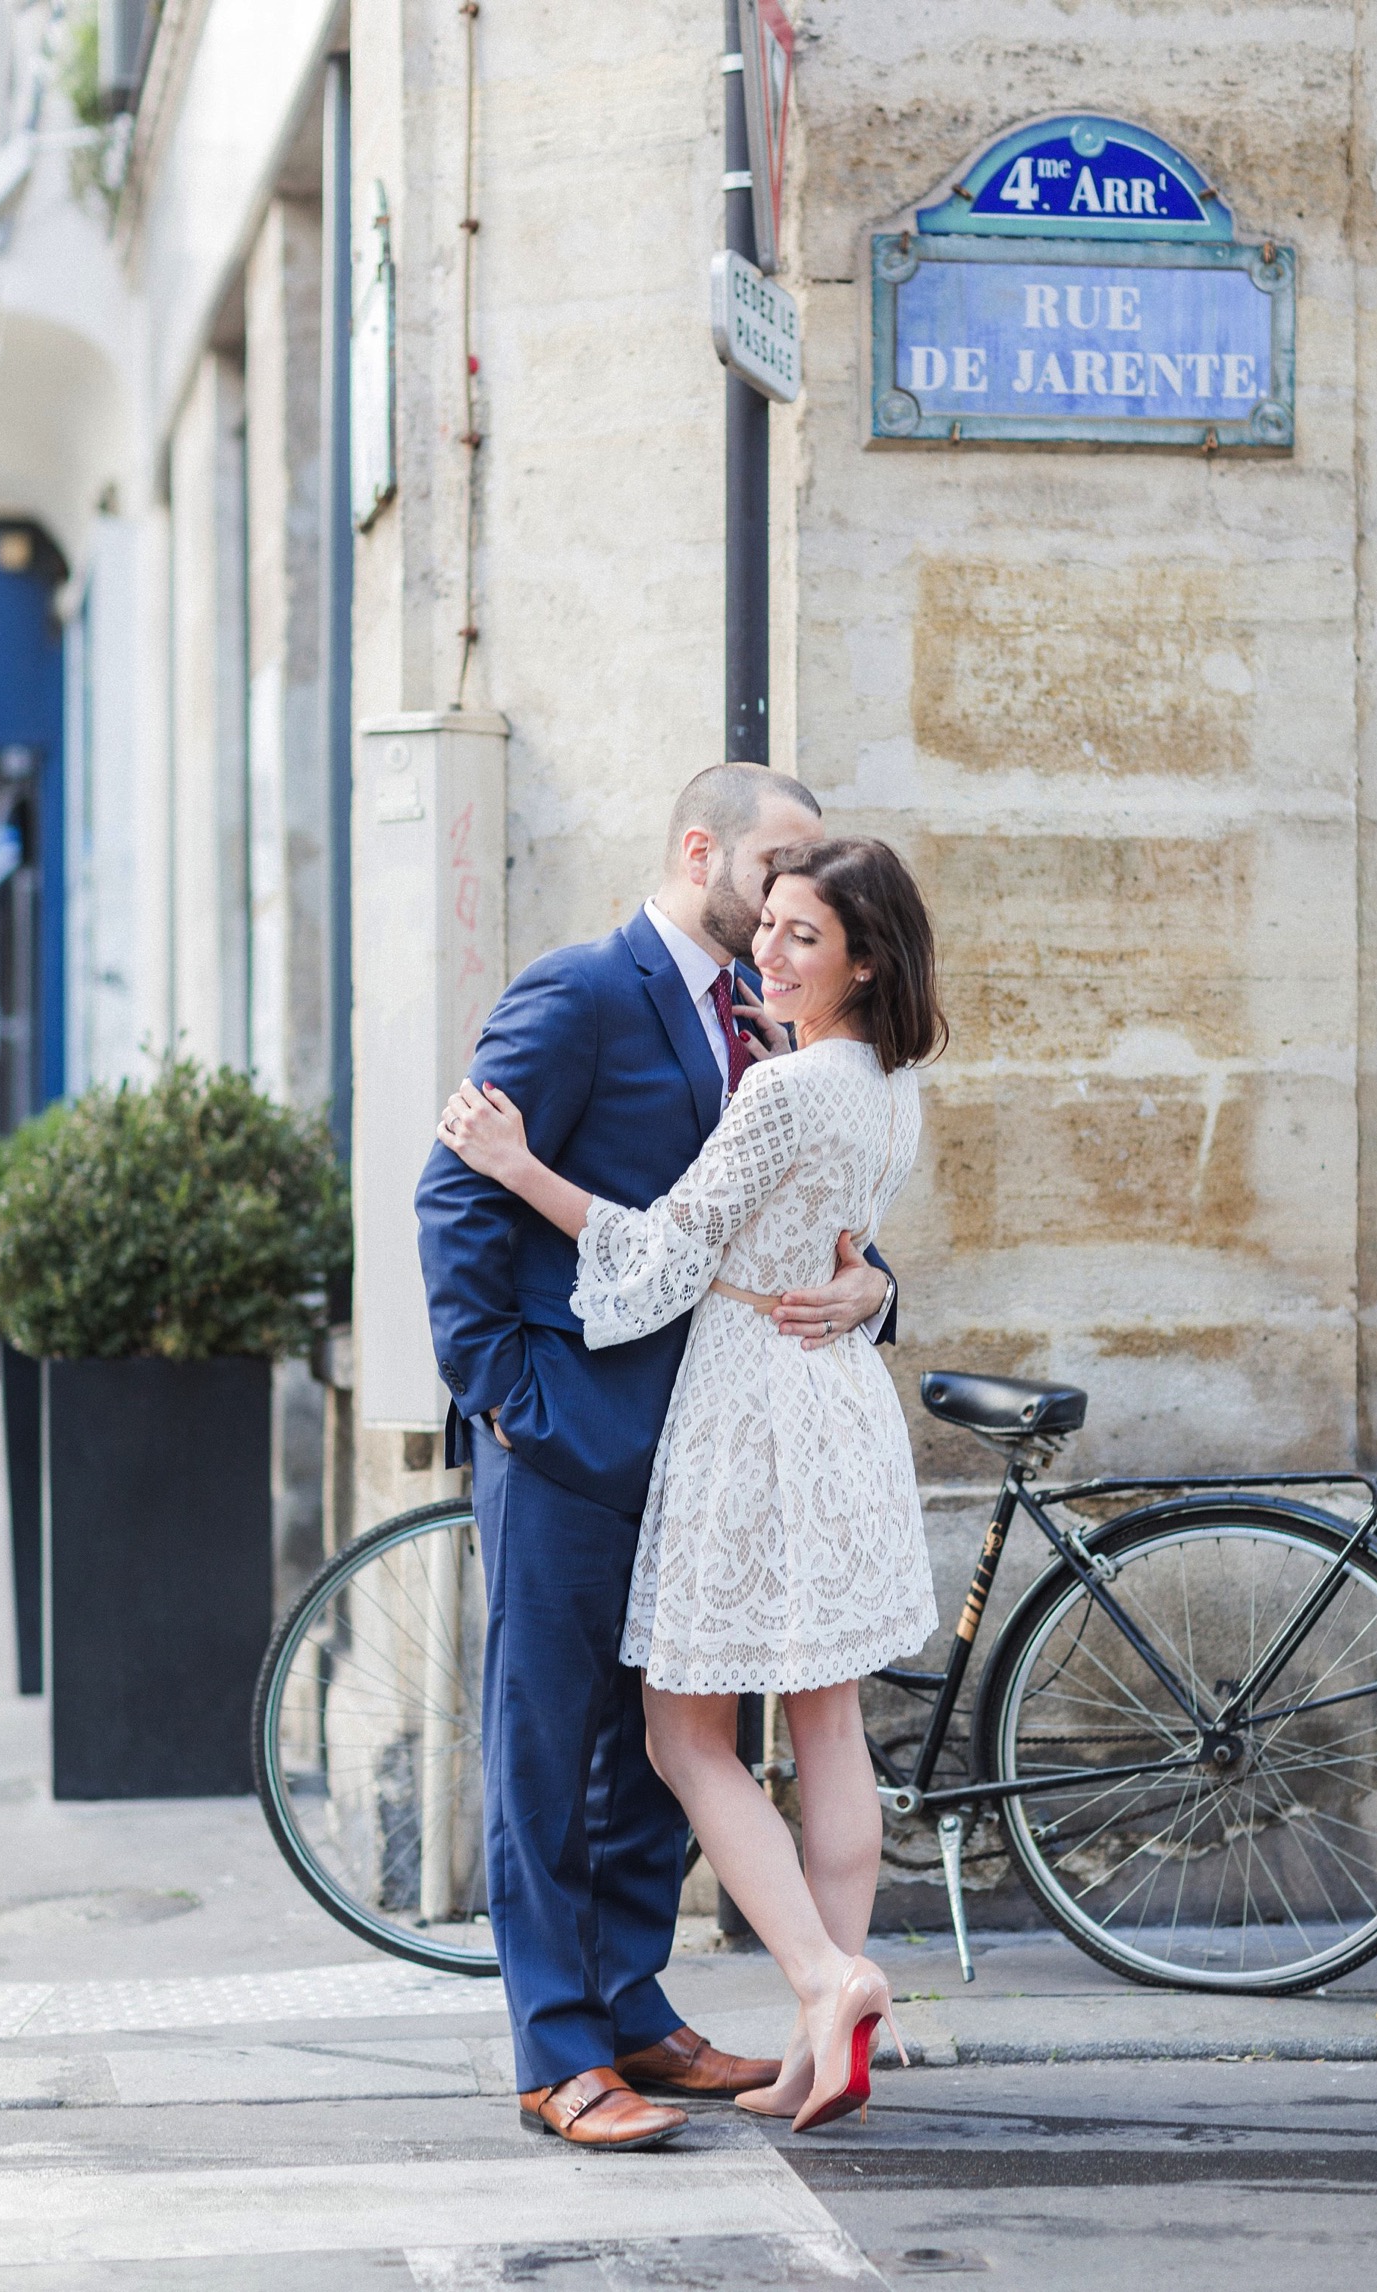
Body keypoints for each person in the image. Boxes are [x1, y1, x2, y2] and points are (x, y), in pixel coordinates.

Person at [415, 766, 900, 2152]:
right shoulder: (578, 992)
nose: (799, 892)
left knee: (665, 1757)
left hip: (718, 1451)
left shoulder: (783, 1025)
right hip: (572, 1441)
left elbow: (800, 1221)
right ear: (705, 849)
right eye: (782, 861)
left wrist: (876, 1290)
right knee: (544, 1750)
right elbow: (456, 1192)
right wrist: (508, 1397)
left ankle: (633, 2004)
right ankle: (557, 2054)